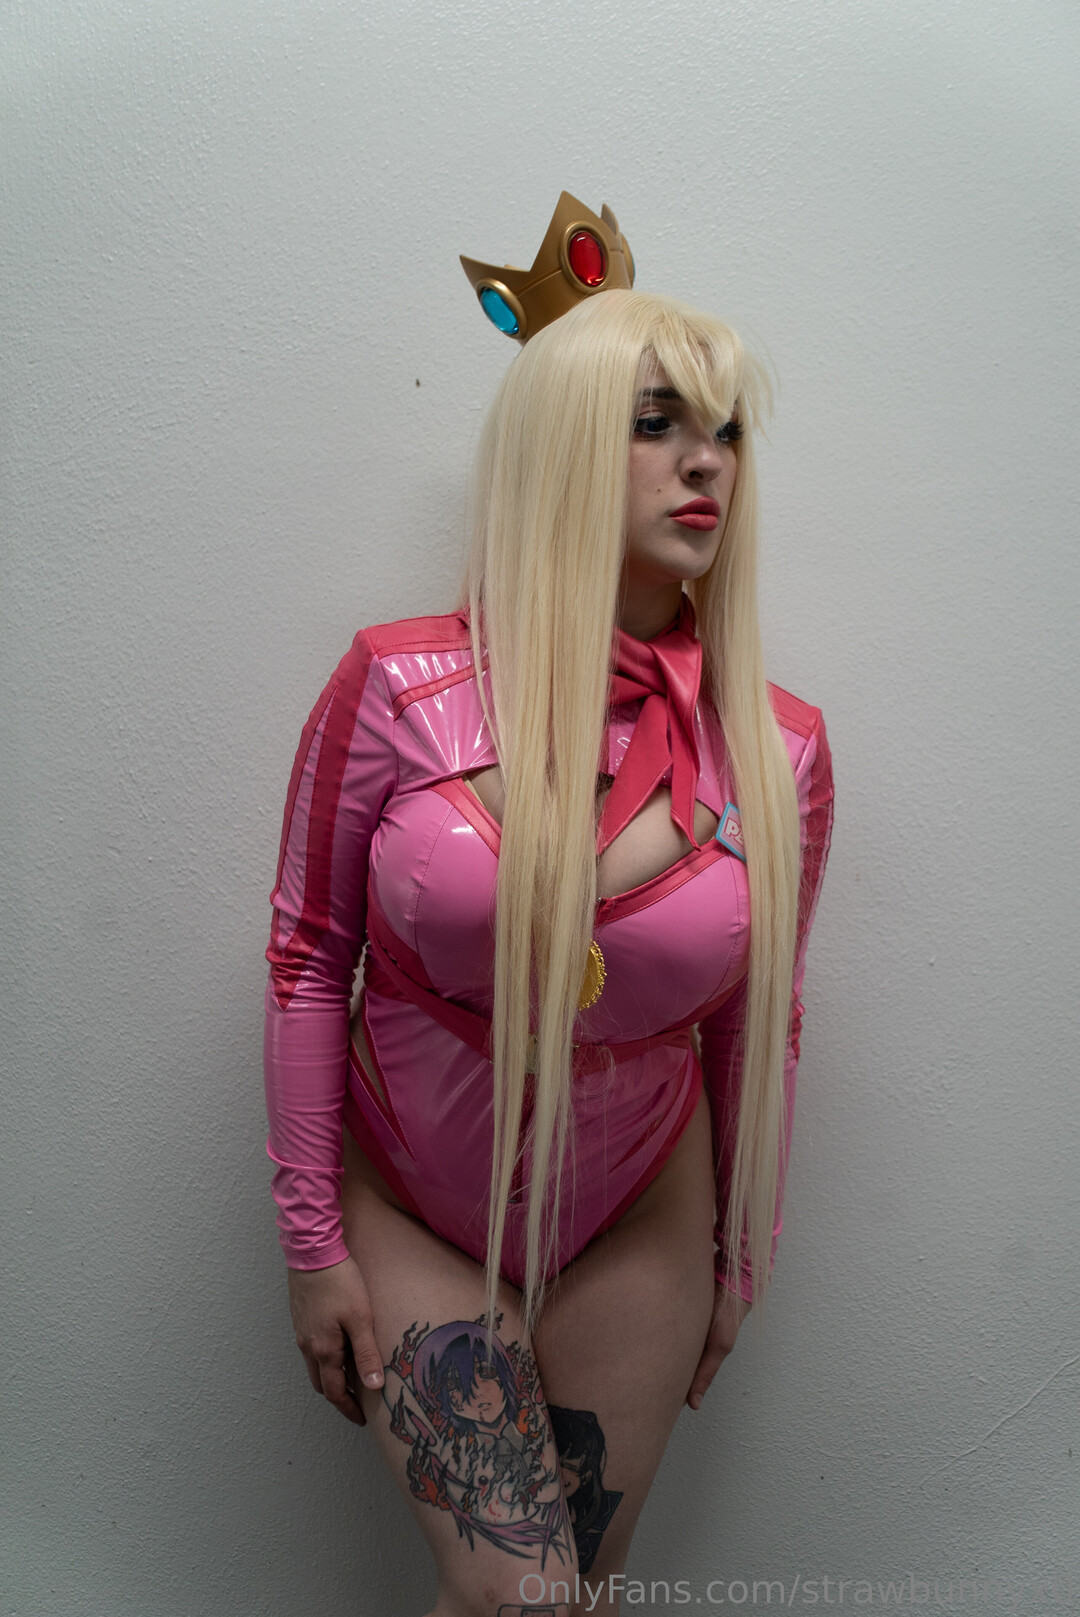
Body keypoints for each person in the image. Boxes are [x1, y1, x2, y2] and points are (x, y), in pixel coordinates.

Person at [262, 195, 833, 1617]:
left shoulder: (780, 751)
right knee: (511, 1594)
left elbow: (760, 1022)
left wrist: (738, 1261)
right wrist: (313, 1244)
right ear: (562, 444)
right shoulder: (397, 686)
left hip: (643, 1212)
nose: (707, 460)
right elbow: (308, 957)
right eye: (655, 422)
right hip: (415, 1198)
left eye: (727, 431)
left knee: (581, 1597)